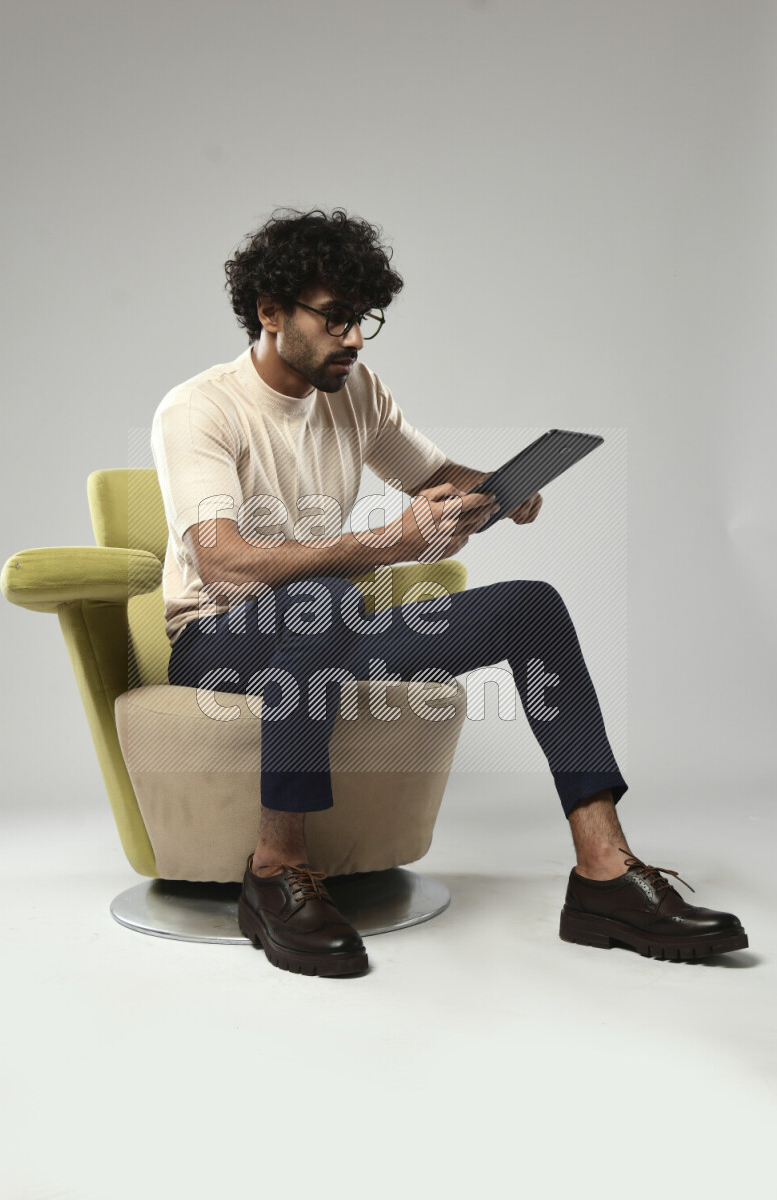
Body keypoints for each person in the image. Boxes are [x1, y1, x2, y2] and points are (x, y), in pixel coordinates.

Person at [151, 206, 748, 978]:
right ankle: (275, 872)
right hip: (216, 640)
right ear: (271, 313)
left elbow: (435, 477)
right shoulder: (200, 408)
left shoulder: (354, 391)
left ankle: (603, 871)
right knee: (323, 604)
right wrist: (386, 544)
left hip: (328, 630)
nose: (356, 338)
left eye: (364, 319)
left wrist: (498, 489)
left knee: (527, 606)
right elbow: (224, 562)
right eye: (336, 319)